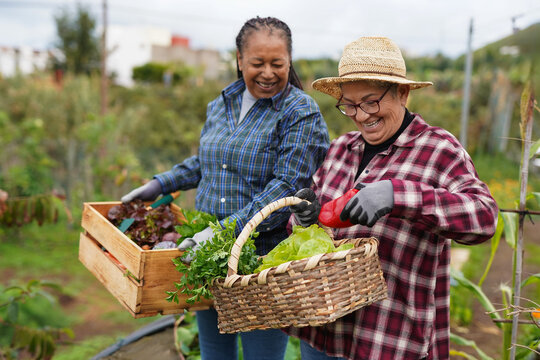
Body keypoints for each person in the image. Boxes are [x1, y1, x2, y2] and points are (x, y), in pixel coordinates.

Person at [121, 16, 330, 360]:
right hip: (205, 253)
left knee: (262, 355)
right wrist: (158, 183)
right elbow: (208, 161)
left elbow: (286, 186)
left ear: (290, 61)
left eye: (277, 63)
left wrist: (225, 231)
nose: (267, 73)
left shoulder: (299, 111)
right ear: (238, 60)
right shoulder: (222, 104)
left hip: (259, 261)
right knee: (214, 353)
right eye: (257, 63)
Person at [288, 37, 498, 360]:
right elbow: (308, 232)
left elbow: (484, 217)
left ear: (402, 92)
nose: (361, 115)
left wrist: (398, 195)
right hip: (324, 336)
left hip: (389, 339)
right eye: (350, 105)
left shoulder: (438, 150)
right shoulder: (341, 149)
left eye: (371, 102)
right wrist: (303, 218)